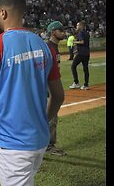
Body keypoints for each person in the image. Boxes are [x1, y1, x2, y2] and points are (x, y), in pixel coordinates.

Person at [0, 0, 65, 186]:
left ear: (3, 13)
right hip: (39, 139)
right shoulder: (44, 45)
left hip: (12, 140)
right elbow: (58, 95)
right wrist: (44, 120)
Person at [45, 21, 68, 156]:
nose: (63, 32)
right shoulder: (48, 47)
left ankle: (45, 145)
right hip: (47, 87)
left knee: (50, 115)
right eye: (60, 30)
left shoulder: (54, 47)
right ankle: (48, 146)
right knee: (51, 116)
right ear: (53, 32)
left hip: (50, 86)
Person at [69, 21, 91, 90]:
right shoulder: (87, 33)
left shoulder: (80, 33)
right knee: (85, 69)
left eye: (78, 25)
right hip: (87, 53)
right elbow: (85, 43)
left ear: (81, 26)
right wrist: (77, 49)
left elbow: (82, 42)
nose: (76, 27)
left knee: (73, 66)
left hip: (81, 53)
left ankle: (76, 83)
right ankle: (86, 84)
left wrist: (75, 42)